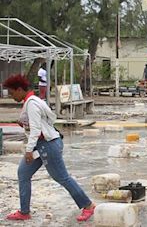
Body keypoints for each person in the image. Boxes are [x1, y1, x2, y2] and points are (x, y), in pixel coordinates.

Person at [3, 74, 96, 222]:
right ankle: (24, 212)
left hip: (47, 144)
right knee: (23, 173)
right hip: (41, 145)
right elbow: (48, 120)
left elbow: (36, 130)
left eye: (12, 93)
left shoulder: (32, 103)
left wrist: (28, 150)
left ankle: (88, 206)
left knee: (61, 177)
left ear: (19, 89)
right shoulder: (32, 101)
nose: (11, 96)